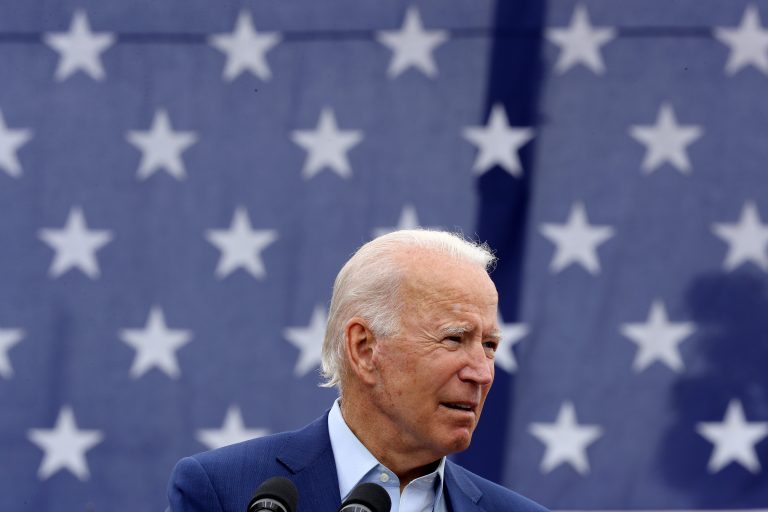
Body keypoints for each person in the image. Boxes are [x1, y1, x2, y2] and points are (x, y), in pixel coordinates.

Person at [167, 229, 548, 512]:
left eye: (489, 346)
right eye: (453, 339)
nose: (481, 374)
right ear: (364, 349)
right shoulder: (223, 491)